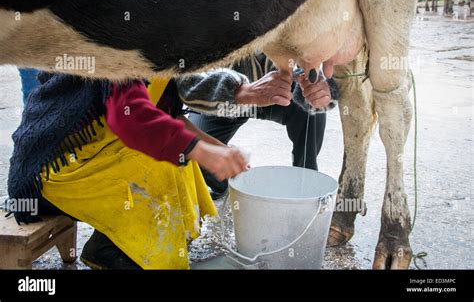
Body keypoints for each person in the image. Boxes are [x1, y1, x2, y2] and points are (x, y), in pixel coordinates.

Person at [7, 72, 248, 269]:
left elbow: (168, 117)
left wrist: (217, 148)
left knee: (178, 160)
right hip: (52, 170)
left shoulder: (167, 50)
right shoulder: (120, 42)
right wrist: (203, 152)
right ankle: (140, 254)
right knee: (160, 169)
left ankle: (107, 248)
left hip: (98, 151)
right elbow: (130, 118)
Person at [177, 52, 339, 199]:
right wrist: (240, 91)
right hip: (222, 102)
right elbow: (185, 82)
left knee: (311, 106)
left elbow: (302, 64)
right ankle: (224, 185)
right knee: (194, 153)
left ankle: (305, 180)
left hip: (275, 94)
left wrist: (317, 91)